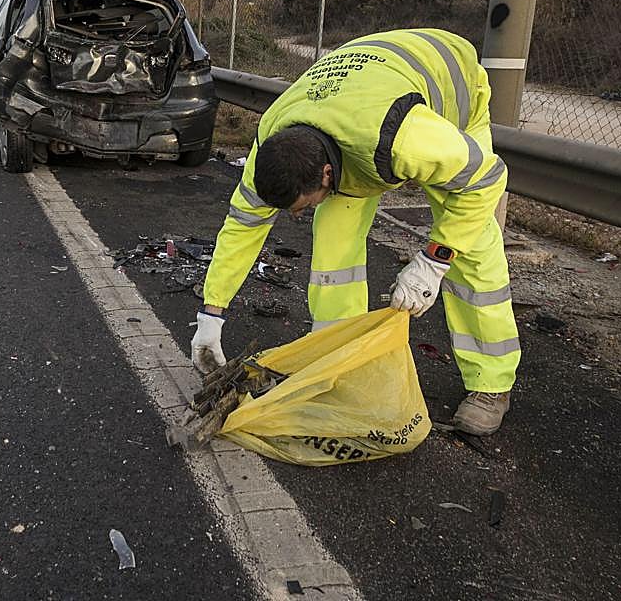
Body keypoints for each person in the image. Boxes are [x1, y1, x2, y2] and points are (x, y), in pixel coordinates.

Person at [193, 28, 518, 435]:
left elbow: (487, 179)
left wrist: (433, 261)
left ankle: (491, 385)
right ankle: (337, 365)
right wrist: (212, 314)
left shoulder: (408, 140)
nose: (297, 217)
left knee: (471, 247)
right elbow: (243, 226)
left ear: (326, 174)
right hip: (356, 103)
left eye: (302, 206)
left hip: (448, 93)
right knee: (333, 246)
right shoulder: (274, 141)